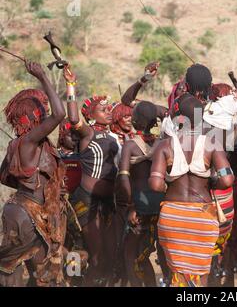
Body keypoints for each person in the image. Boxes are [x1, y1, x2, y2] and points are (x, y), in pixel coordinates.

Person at [149, 94, 234, 287]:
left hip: (172, 216)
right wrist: (212, 184)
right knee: (201, 275)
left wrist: (167, 186)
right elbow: (227, 179)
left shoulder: (165, 145)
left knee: (175, 273)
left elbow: (155, 185)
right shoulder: (212, 144)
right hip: (202, 216)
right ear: (201, 116)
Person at [0, 61, 66, 286]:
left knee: (30, 274)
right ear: (34, 114)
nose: (47, 112)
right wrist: (42, 76)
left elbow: (3, 177)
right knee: (18, 273)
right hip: (27, 217)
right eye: (43, 109)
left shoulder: (22, 144)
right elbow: (60, 114)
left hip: (21, 213)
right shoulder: (28, 141)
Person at [63, 65, 119, 286]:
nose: (108, 111)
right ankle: (75, 281)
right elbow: (73, 116)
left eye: (109, 108)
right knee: (93, 253)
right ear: (90, 115)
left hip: (107, 202)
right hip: (86, 199)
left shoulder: (114, 137)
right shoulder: (88, 133)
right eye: (102, 109)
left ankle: (83, 279)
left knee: (105, 255)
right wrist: (71, 85)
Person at [117, 101, 165, 286]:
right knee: (160, 254)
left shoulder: (130, 146)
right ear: (154, 123)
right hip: (161, 205)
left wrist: (131, 207)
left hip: (140, 206)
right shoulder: (162, 143)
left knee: (131, 255)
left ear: (135, 120)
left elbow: (123, 179)